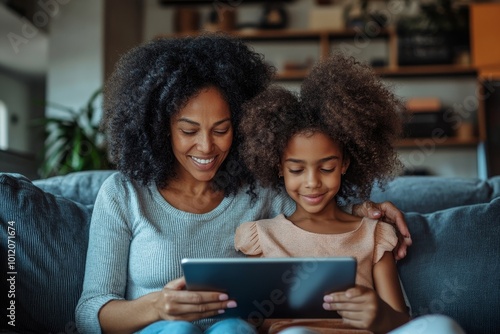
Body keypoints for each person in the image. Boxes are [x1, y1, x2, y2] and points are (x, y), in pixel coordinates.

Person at [75, 33, 412, 334]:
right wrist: (156, 307)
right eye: (189, 131)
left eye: (221, 129)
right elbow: (90, 312)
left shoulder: (258, 191)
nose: (207, 147)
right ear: (161, 128)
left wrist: (365, 210)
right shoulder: (124, 194)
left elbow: (314, 212)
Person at [235, 54, 465, 334]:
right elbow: (249, 323)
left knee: (441, 326)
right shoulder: (262, 237)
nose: (312, 183)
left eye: (327, 167)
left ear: (344, 164)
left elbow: (402, 324)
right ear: (278, 167)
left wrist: (380, 314)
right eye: (297, 170)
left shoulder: (374, 235)